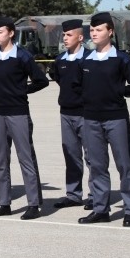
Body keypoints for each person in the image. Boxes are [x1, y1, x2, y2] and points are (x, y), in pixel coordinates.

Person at [77, 12, 130, 227]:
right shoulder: (85, 59)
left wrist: (119, 92)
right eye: (92, 30)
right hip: (91, 120)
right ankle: (100, 209)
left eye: (99, 30)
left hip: (116, 119)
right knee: (97, 166)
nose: (94, 33)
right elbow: (77, 85)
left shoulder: (121, 59)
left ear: (110, 32)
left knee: (124, 165)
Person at [0, 16, 50, 220]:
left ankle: (33, 204)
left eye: (0, 32)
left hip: (18, 113)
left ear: (11, 33)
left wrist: (22, 91)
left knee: (25, 158)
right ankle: (4, 202)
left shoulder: (23, 56)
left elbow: (41, 81)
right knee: (0, 159)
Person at [52, 19, 89, 209]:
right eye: (63, 35)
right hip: (66, 113)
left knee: (92, 156)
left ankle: (95, 195)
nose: (65, 39)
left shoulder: (90, 58)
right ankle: (74, 194)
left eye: (69, 35)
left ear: (80, 37)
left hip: (86, 113)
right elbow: (57, 77)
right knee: (71, 155)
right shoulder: (60, 60)